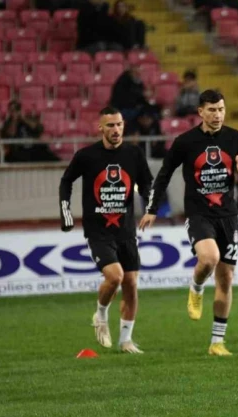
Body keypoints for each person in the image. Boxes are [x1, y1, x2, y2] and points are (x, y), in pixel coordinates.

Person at [139, 90, 238, 356]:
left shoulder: (234, 138)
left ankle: (217, 342)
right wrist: (153, 208)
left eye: (221, 109)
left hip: (228, 216)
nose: (217, 115)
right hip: (199, 214)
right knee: (210, 258)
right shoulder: (186, 141)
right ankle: (197, 286)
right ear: (200, 112)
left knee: (226, 278)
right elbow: (164, 174)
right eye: (212, 110)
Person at [58, 107, 153, 354]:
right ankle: (100, 315)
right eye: (110, 125)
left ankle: (126, 341)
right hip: (98, 231)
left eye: (119, 124)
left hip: (126, 230)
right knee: (115, 276)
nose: (116, 129)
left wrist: (150, 207)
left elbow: (147, 183)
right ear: (100, 128)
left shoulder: (134, 154)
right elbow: (66, 181)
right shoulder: (87, 156)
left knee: (131, 284)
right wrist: (66, 212)